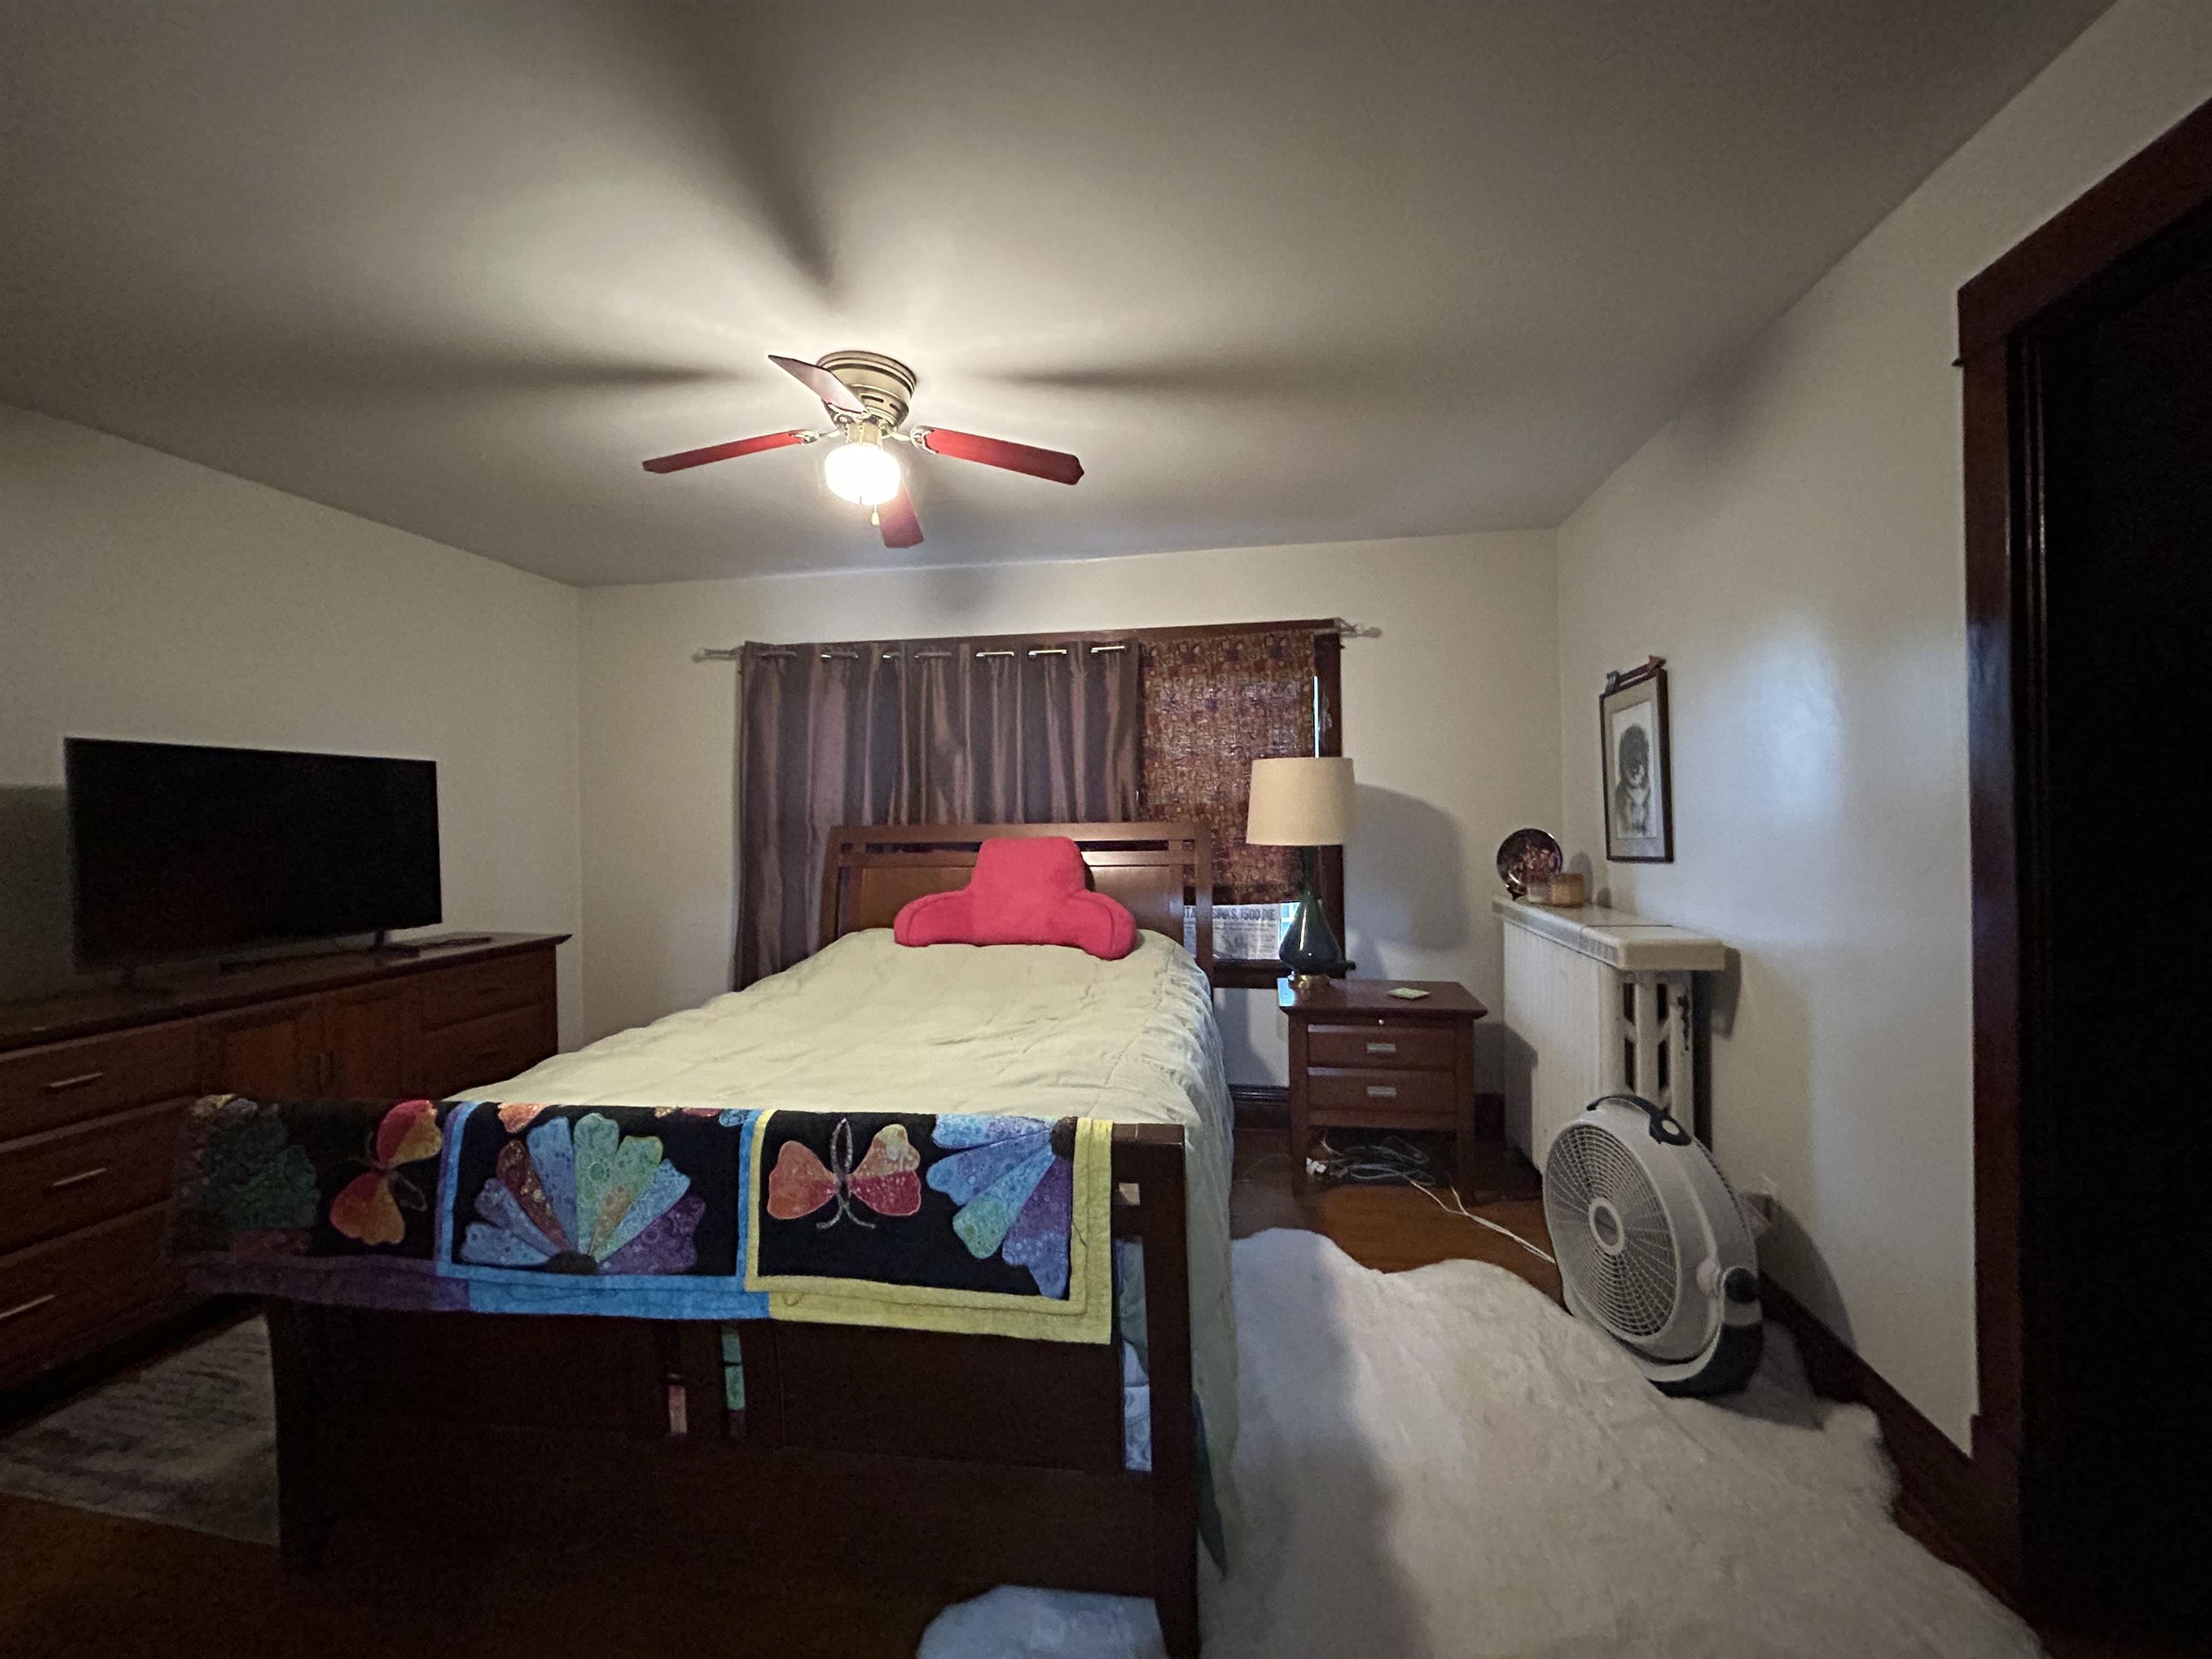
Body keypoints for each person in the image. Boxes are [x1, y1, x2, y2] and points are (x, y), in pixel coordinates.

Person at [1613, 721, 1652, 838]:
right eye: (1630, 760)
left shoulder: (1651, 796)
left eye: (1639, 760)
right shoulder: (1619, 798)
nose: (1635, 769)